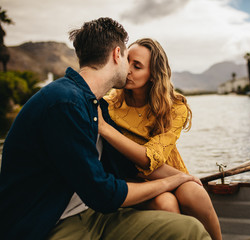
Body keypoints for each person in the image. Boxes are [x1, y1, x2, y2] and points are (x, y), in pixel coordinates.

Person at [0, 17, 211, 240]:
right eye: (128, 59)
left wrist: (183, 178)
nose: (129, 68)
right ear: (117, 54)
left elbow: (133, 163)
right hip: (47, 223)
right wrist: (169, 182)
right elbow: (104, 193)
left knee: (189, 230)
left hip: (92, 213)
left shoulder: (94, 104)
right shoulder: (65, 104)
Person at [97, 38, 222, 240]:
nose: (127, 69)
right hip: (129, 176)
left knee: (194, 193)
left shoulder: (174, 107)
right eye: (127, 60)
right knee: (166, 203)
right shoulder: (108, 104)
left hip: (163, 171)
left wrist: (105, 129)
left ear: (153, 75)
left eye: (137, 66)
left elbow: (151, 158)